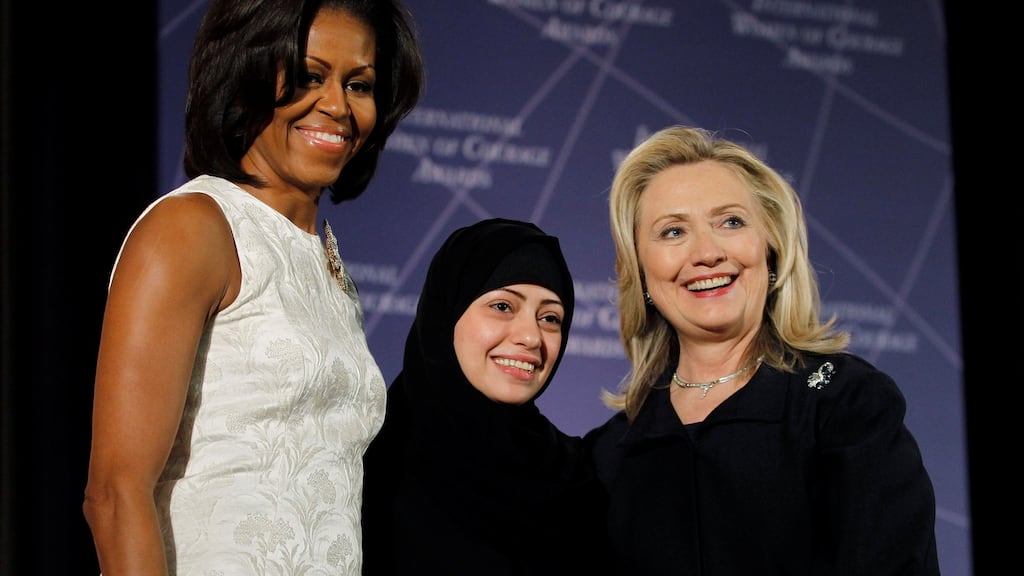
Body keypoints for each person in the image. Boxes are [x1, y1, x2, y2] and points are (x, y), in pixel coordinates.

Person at [82, 1, 424, 574]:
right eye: (311, 76)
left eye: (358, 84)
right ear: (246, 74)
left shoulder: (327, 262)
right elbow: (116, 494)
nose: (338, 106)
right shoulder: (192, 228)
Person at [585, 125, 941, 574]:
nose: (707, 252)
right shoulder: (608, 456)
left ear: (770, 248)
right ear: (640, 272)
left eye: (730, 222)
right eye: (673, 232)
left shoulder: (846, 405)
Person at [361, 218, 611, 575]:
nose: (531, 337)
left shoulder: (579, 477)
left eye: (550, 317)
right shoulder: (371, 465)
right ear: (446, 313)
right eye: (503, 307)